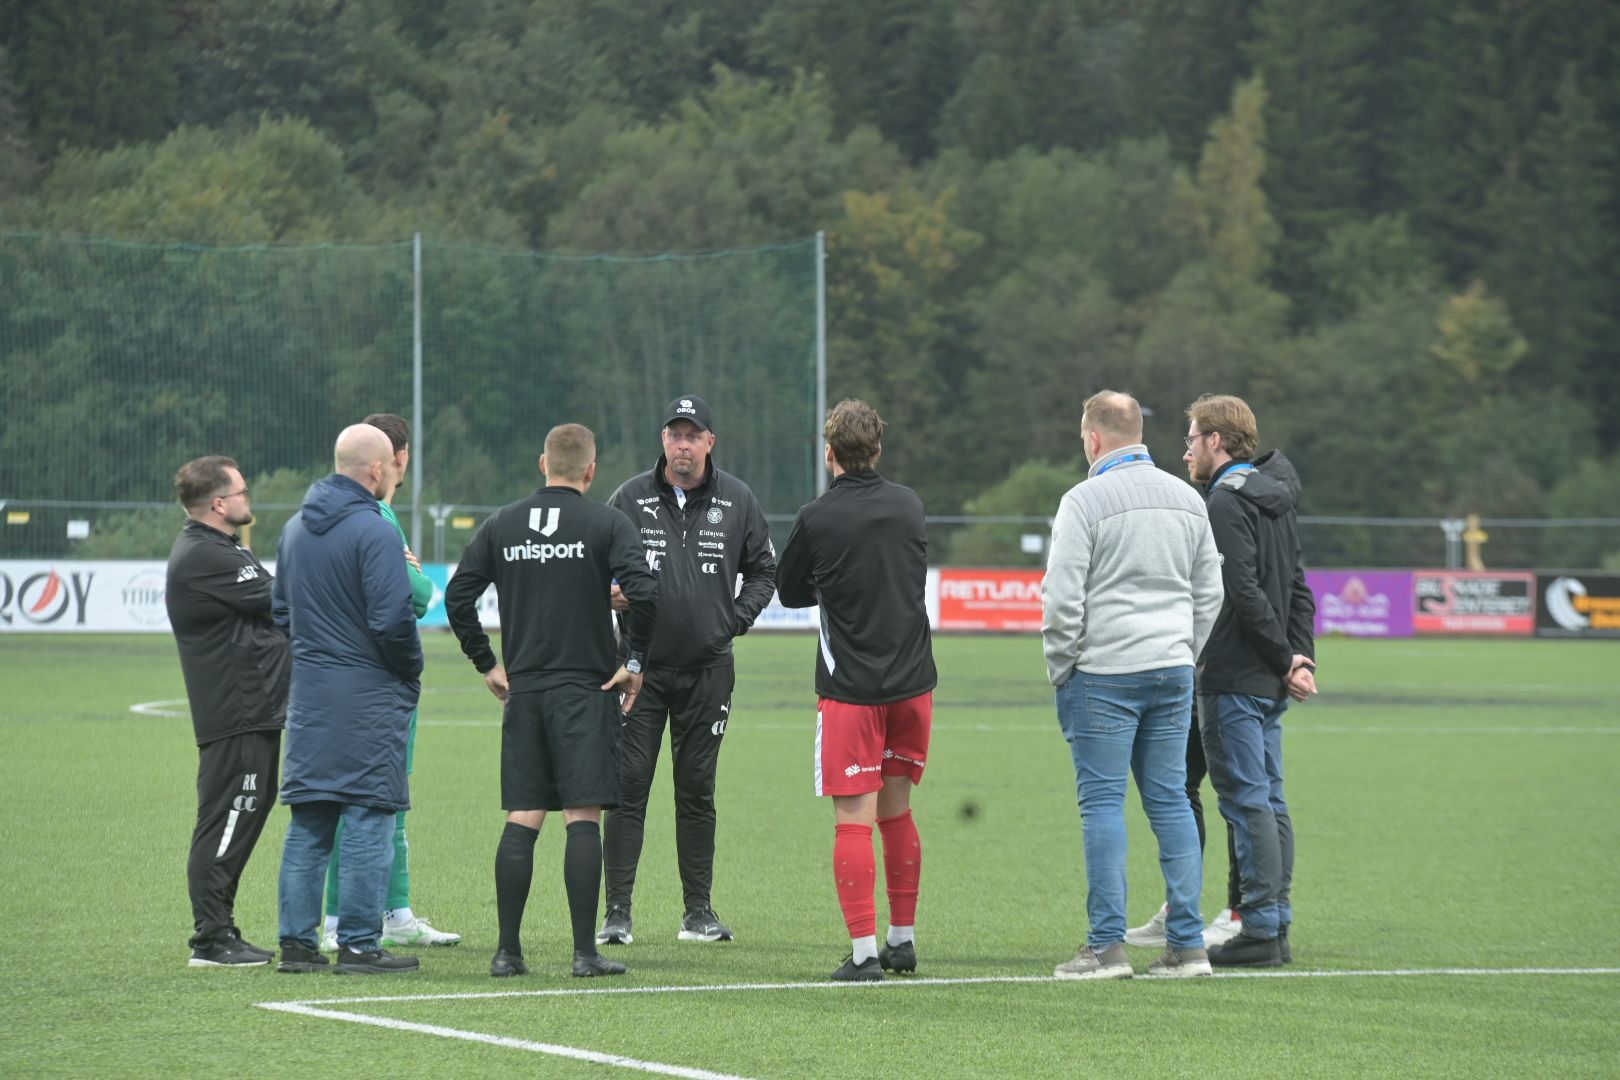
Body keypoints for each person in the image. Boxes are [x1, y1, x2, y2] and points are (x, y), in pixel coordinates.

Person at [444, 423, 659, 978]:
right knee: (581, 816)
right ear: (591, 471)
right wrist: (633, 662)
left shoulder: (503, 522)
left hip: (527, 689)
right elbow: (647, 591)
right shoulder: (608, 521)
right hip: (587, 690)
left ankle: (506, 952)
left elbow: (457, 595)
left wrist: (487, 663)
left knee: (524, 816)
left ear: (543, 464)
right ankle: (585, 954)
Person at [1041, 391, 1224, 980]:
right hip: (1171, 669)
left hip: (1103, 672)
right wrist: (1184, 653)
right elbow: (1210, 594)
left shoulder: (1083, 500)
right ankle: (1189, 946)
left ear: (1094, 438)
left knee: (1102, 806)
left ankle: (1105, 947)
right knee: (1170, 801)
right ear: (1140, 432)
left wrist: (1062, 666)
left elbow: (1061, 600)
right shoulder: (1187, 498)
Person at [598, 395, 776, 947]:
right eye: (674, 434)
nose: (681, 444)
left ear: (709, 442)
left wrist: (733, 621)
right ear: (663, 440)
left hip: (708, 671)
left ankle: (698, 911)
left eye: (691, 435)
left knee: (697, 789)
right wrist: (607, 595)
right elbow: (593, 571)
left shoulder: (737, 499)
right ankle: (617, 914)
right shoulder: (628, 498)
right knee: (628, 789)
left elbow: (765, 571)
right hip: (639, 671)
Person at [776, 398, 938, 982]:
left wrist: (834, 584)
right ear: (878, 449)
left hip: (851, 689)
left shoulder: (816, 516)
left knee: (853, 820)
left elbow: (790, 591)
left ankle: (865, 953)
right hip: (914, 682)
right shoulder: (909, 504)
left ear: (829, 454)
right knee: (897, 813)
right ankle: (904, 940)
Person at [272, 424, 424, 975]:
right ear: (378, 470)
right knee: (368, 814)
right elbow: (392, 618)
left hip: (310, 696)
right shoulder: (374, 531)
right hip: (368, 696)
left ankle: (297, 946)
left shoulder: (292, 529)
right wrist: (410, 670)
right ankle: (360, 944)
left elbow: (281, 614)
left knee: (310, 820)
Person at [1182, 393, 1317, 968]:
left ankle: (1259, 926)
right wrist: (1298, 657)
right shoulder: (1278, 498)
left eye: (1191, 437)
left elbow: (1239, 590)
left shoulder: (1223, 502)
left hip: (1234, 671)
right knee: (1271, 798)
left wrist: (1284, 657)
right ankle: (1276, 923)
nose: (1185, 449)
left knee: (1244, 800)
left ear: (1217, 441)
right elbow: (1299, 589)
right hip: (1268, 675)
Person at [318, 413, 460, 952]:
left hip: (361, 680)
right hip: (375, 680)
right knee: (364, 801)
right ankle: (340, 919)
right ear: (395, 459)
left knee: (389, 800)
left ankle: (393, 911)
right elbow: (419, 593)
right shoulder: (375, 515)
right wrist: (416, 576)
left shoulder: (336, 515)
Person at [166, 456, 291, 967]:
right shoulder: (204, 555)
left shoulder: (218, 547)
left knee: (244, 811)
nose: (248, 499)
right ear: (219, 503)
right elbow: (283, 600)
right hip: (236, 708)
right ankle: (211, 938)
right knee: (227, 817)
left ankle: (221, 931)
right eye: (241, 492)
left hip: (252, 707)